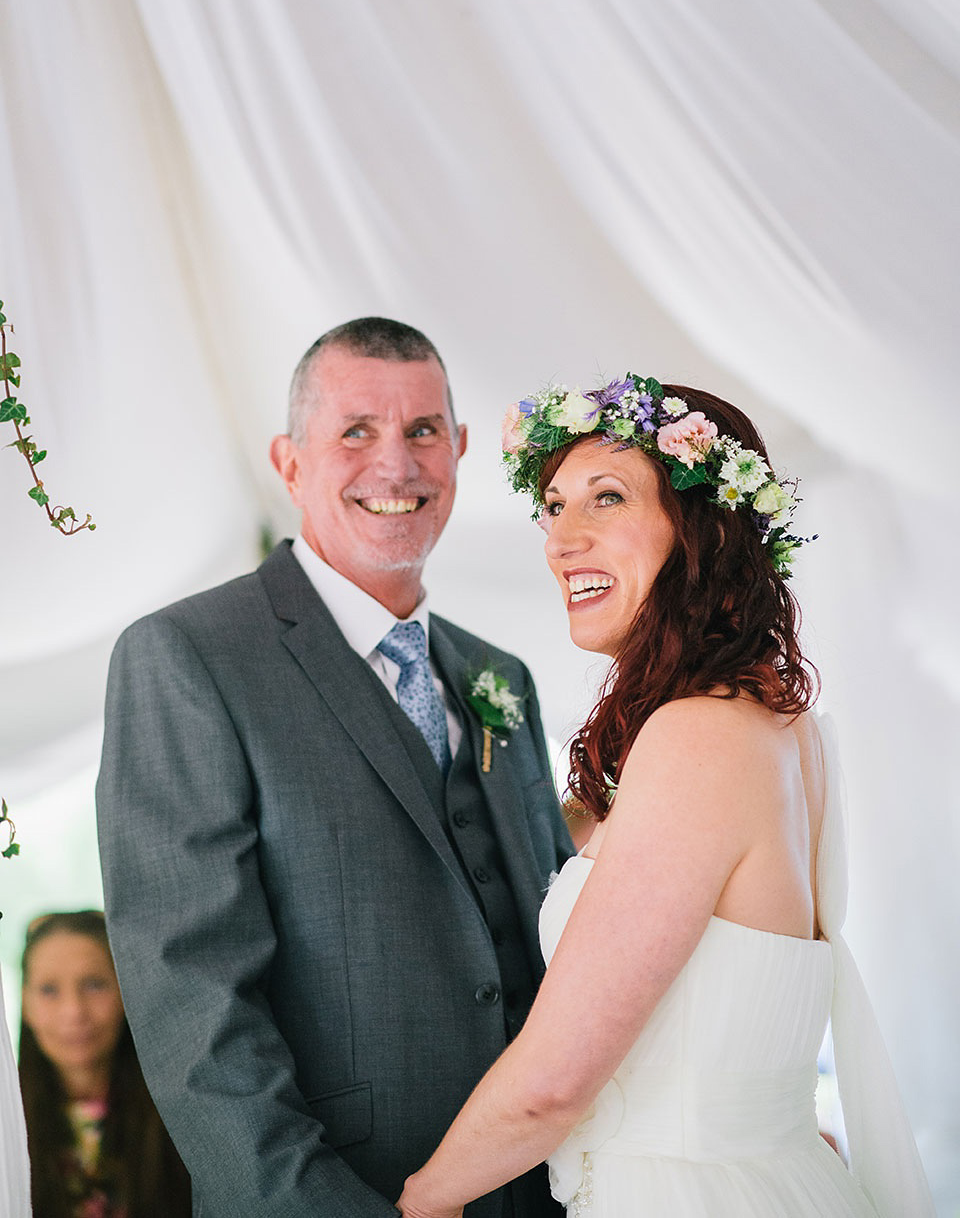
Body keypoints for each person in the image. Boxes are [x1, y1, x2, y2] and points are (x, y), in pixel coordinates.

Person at [398, 374, 935, 1218]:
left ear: (703, 534)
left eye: (604, 499)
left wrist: (425, 1200)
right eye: (553, 505)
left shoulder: (699, 737)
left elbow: (556, 1081)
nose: (559, 540)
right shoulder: (778, 732)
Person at [96, 318, 573, 1218]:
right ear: (290, 463)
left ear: (461, 451)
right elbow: (193, 1002)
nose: (395, 465)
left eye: (423, 431)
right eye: (356, 432)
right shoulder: (188, 657)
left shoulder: (499, 678)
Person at [18, 910, 190, 1218]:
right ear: (25, 1003)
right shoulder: (8, 1122)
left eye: (95, 984)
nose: (73, 1011)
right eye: (48, 990)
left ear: (126, 993)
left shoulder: (181, 1111)